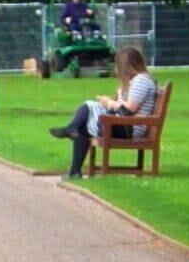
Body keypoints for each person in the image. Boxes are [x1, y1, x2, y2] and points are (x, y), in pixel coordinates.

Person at [52, 46, 159, 177]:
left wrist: (109, 103)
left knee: (87, 111)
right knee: (85, 116)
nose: (116, 70)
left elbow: (128, 110)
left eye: (118, 66)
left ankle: (71, 131)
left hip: (131, 128)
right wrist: (109, 103)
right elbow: (122, 108)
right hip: (123, 125)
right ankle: (74, 170)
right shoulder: (133, 81)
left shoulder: (141, 80)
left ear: (126, 66)